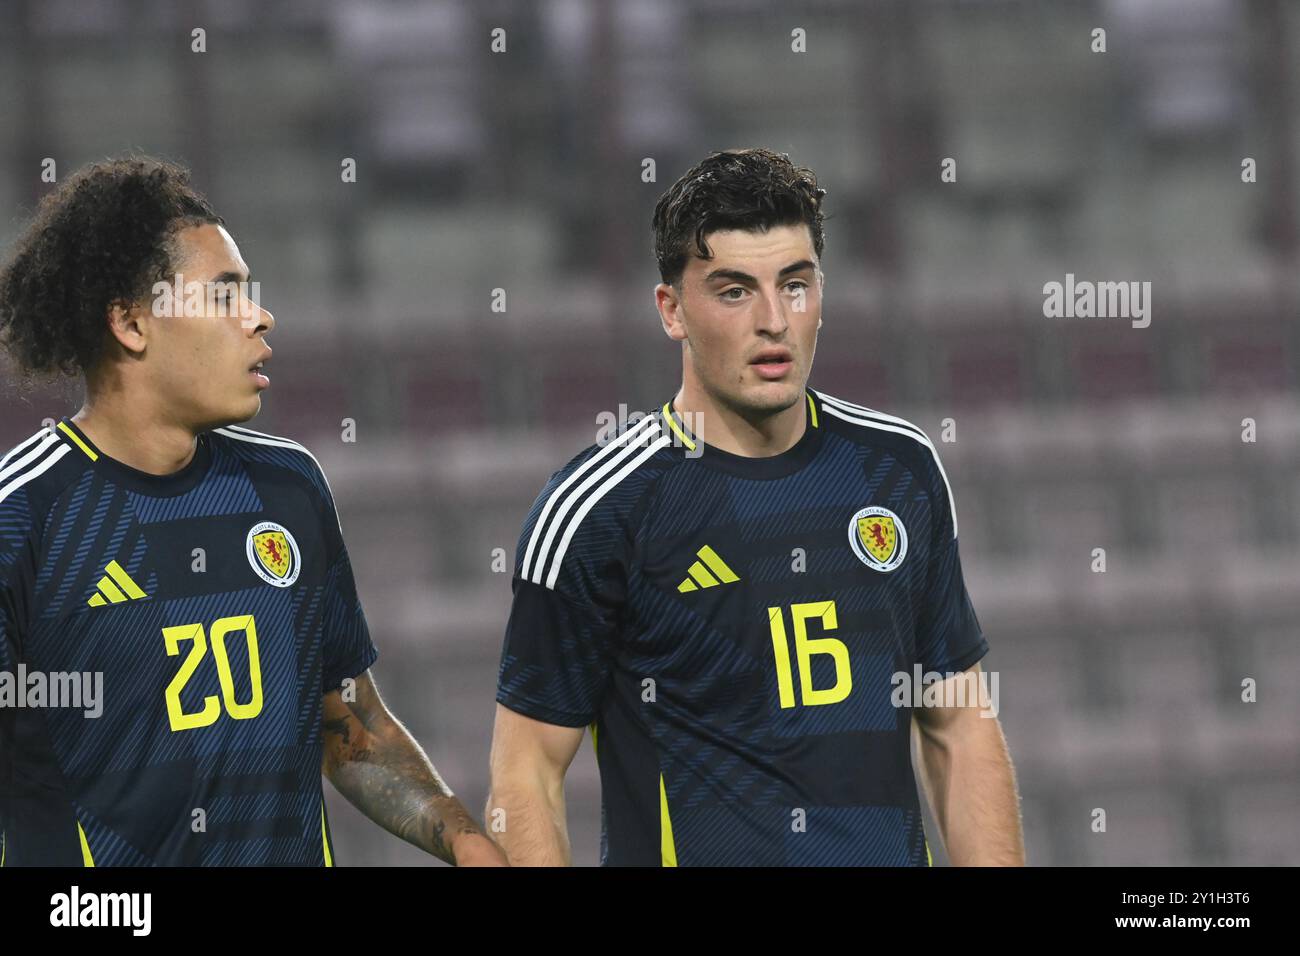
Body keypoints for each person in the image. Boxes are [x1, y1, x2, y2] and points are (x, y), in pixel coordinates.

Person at [487, 148, 1024, 866]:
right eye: (735, 291)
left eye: (794, 285)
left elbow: (959, 728)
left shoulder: (899, 469)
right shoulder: (598, 510)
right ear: (671, 310)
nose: (774, 320)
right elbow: (525, 777)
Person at [0, 157, 504, 866]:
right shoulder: (23, 522)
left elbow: (348, 727)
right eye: (224, 294)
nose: (261, 315)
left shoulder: (285, 486)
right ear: (131, 322)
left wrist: (466, 840)